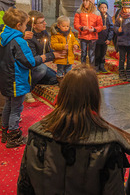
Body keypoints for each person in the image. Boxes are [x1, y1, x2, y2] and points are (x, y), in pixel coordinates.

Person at [17, 65, 130, 194]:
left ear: (62, 94)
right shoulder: (110, 145)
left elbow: (24, 187)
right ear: (95, 97)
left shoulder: (36, 135)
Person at [0, 8, 58, 148]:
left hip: (5, 78)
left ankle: (4, 132)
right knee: (17, 108)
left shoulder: (3, 36)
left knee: (8, 105)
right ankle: (14, 136)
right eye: (26, 24)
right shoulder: (19, 41)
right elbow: (30, 61)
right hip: (17, 81)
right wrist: (47, 57)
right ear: (19, 25)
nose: (27, 27)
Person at [26, 11, 58, 103]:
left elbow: (47, 50)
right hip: (30, 65)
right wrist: (52, 55)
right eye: (42, 22)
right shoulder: (28, 36)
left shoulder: (44, 33)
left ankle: (35, 80)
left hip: (40, 62)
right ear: (34, 25)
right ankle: (26, 90)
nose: (45, 23)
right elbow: (33, 59)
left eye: (44, 21)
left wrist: (57, 53)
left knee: (54, 78)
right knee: (42, 69)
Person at [74, 0, 103, 66]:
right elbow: (76, 24)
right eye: (84, 0)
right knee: (83, 53)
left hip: (92, 37)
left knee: (91, 54)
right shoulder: (79, 11)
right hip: (83, 36)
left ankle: (91, 70)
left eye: (87, 1)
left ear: (91, 2)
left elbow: (100, 26)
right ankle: (82, 68)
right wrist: (82, 28)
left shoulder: (97, 13)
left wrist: (94, 29)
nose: (84, 2)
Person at [50, 15, 79, 84]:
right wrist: (63, 46)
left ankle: (67, 81)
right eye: (64, 26)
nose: (66, 28)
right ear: (59, 25)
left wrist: (75, 45)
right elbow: (53, 45)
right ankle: (60, 81)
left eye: (67, 26)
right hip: (61, 57)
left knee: (68, 70)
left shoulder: (70, 34)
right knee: (60, 70)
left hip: (69, 56)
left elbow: (74, 40)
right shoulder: (56, 35)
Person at [95, 0, 113, 73]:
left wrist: (109, 38)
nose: (103, 9)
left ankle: (102, 66)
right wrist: (100, 28)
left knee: (103, 54)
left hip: (105, 40)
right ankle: (96, 66)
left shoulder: (109, 18)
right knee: (97, 53)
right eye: (102, 7)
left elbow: (111, 29)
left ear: (107, 8)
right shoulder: (97, 17)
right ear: (98, 8)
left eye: (105, 7)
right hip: (97, 39)